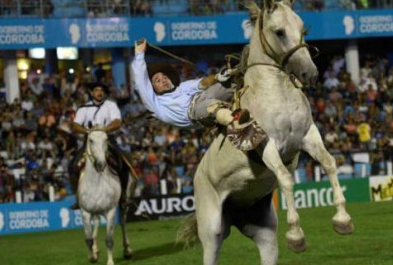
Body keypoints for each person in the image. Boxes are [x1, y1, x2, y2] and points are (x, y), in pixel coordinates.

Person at [131, 38, 265, 151]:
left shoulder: (183, 87)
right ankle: (237, 121)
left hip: (204, 97)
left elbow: (204, 83)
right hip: (194, 113)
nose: (163, 80)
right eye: (158, 81)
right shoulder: (156, 104)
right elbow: (141, 83)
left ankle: (259, 80)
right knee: (210, 105)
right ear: (153, 89)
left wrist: (220, 75)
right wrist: (139, 54)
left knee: (234, 81)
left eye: (164, 77)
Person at [68, 81, 132, 210]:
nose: (99, 92)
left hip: (107, 139)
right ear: (91, 93)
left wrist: (103, 131)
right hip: (90, 141)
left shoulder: (111, 105)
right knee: (72, 165)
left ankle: (124, 196)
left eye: (101, 90)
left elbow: (117, 122)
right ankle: (78, 198)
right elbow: (75, 126)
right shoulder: (83, 108)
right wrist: (87, 132)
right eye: (96, 90)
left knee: (125, 162)